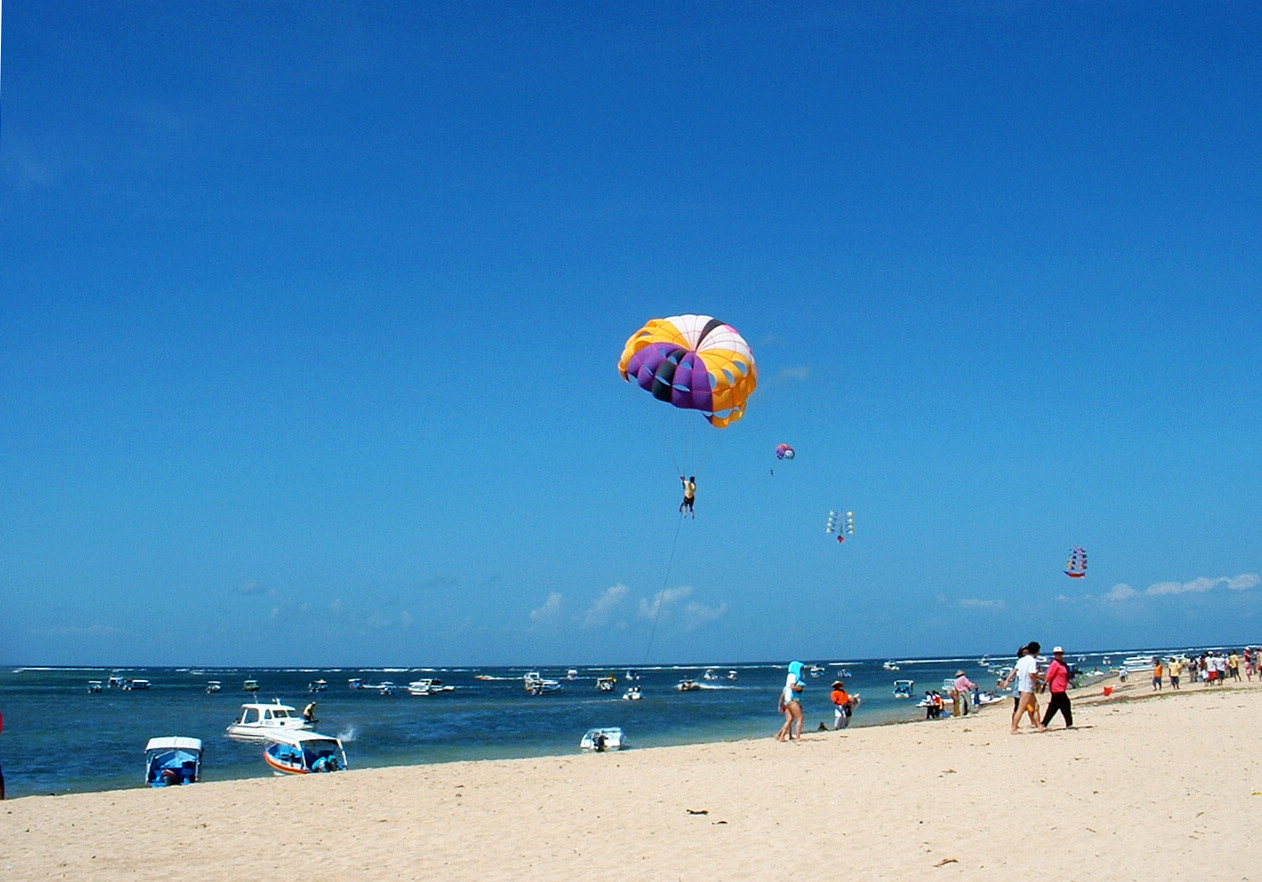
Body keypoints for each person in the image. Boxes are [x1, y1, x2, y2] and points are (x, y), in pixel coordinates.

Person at [1008, 641, 1046, 734]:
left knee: (1036, 706)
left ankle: (1039, 726)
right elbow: (1032, 674)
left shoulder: (1022, 660)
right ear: (1037, 651)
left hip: (1023, 687)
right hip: (1027, 688)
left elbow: (1015, 670)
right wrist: (1037, 683)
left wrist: (1008, 680)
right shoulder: (1032, 661)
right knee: (1021, 708)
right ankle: (1014, 728)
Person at [1041, 646, 1073, 729]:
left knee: (1053, 707)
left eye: (1060, 653)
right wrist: (1044, 685)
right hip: (1057, 688)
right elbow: (1049, 675)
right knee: (1066, 704)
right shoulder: (1055, 664)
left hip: (1062, 688)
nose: (1059, 655)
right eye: (1057, 654)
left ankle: (1043, 724)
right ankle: (1069, 724)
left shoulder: (1063, 664)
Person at [776, 661, 806, 741]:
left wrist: (781, 704)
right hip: (792, 700)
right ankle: (798, 737)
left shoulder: (790, 676)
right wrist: (801, 688)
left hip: (788, 700)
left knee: (790, 719)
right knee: (800, 718)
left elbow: (785, 692)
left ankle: (782, 736)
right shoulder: (793, 676)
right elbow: (793, 687)